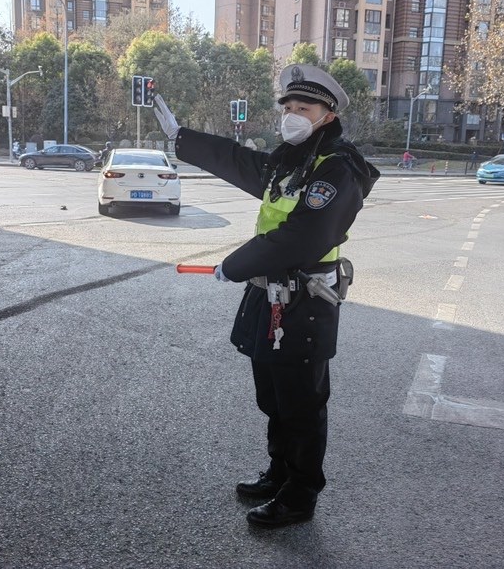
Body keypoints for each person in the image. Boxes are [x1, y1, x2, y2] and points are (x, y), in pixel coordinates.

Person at [153, 64, 379, 528]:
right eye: (289, 107)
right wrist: (183, 139)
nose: (293, 115)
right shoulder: (290, 159)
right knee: (273, 397)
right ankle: (279, 473)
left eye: (305, 108)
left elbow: (304, 237)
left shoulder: (338, 168)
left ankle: (300, 494)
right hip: (269, 294)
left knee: (301, 403)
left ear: (328, 115)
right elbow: (241, 163)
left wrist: (233, 265)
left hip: (306, 301)